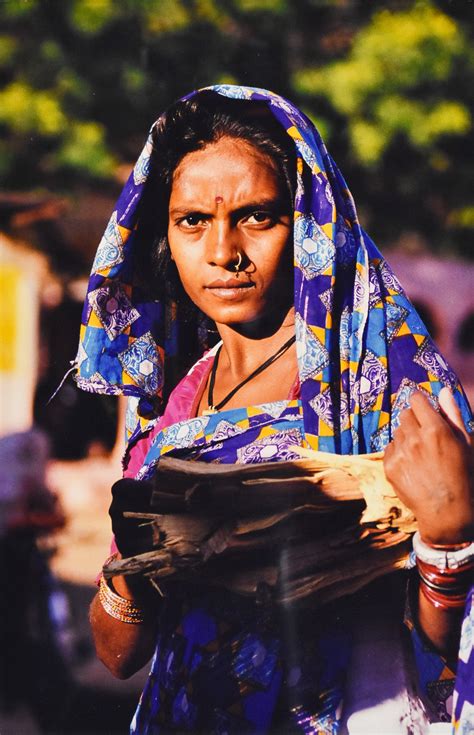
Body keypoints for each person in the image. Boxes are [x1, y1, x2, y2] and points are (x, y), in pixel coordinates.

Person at [74, 86, 473, 733]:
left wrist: (449, 538)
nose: (224, 251)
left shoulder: (386, 384)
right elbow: (119, 654)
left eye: (258, 216)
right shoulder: (172, 408)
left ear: (307, 221)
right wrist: (135, 568)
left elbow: (449, 654)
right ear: (162, 233)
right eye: (193, 220)